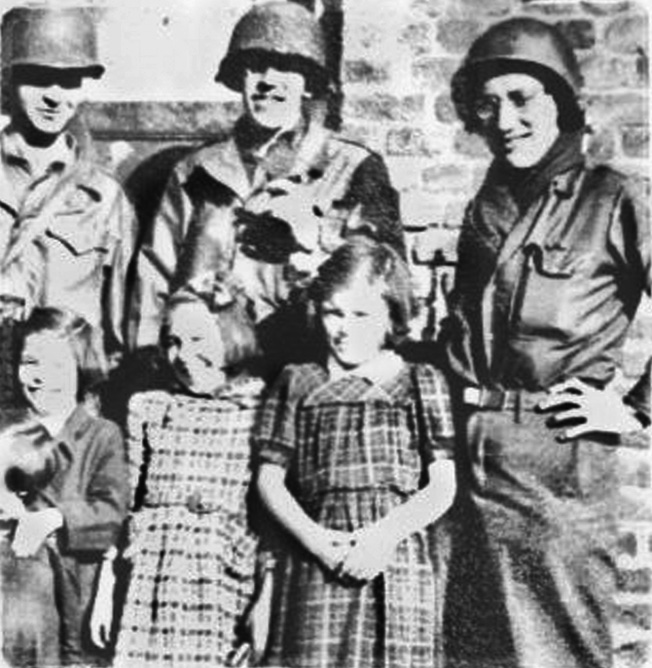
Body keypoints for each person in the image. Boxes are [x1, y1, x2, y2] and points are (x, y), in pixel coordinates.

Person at [441, 17, 650, 668]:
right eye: (490, 101)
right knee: (474, 655)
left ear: (562, 102)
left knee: (553, 655)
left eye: (523, 97)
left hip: (557, 464)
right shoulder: (488, 208)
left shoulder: (612, 199)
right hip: (470, 458)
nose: (505, 118)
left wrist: (637, 408)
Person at [131, 1, 404, 364]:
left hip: (305, 375)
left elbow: (392, 289)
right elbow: (154, 285)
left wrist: (315, 243)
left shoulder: (354, 168)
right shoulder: (195, 173)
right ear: (238, 77)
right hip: (205, 378)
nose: (268, 82)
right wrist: (149, 367)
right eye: (255, 66)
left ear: (308, 83)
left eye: (288, 69)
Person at [254, 239, 456, 667]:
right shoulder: (298, 382)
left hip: (395, 556)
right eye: (334, 312)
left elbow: (442, 487)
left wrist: (383, 537)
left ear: (391, 317)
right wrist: (318, 542)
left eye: (362, 314)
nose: (344, 328)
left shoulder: (421, 382)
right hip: (318, 554)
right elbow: (269, 480)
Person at [109, 285, 266, 667]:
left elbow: (271, 533)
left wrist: (265, 605)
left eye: (198, 338)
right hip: (150, 587)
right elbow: (126, 506)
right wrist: (105, 588)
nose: (183, 354)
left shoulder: (262, 413)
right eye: (173, 341)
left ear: (231, 335)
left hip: (221, 587)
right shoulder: (151, 409)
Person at [0, 7, 135, 367]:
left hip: (67, 390)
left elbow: (119, 331)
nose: (55, 96)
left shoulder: (103, 198)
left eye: (70, 81)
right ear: (8, 82)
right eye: (39, 78)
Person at [0, 307, 129, 667]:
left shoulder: (101, 435)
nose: (40, 377)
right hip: (13, 585)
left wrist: (53, 518)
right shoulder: (5, 429)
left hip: (77, 586)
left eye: (57, 366)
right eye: (30, 363)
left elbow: (111, 511)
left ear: (81, 369)